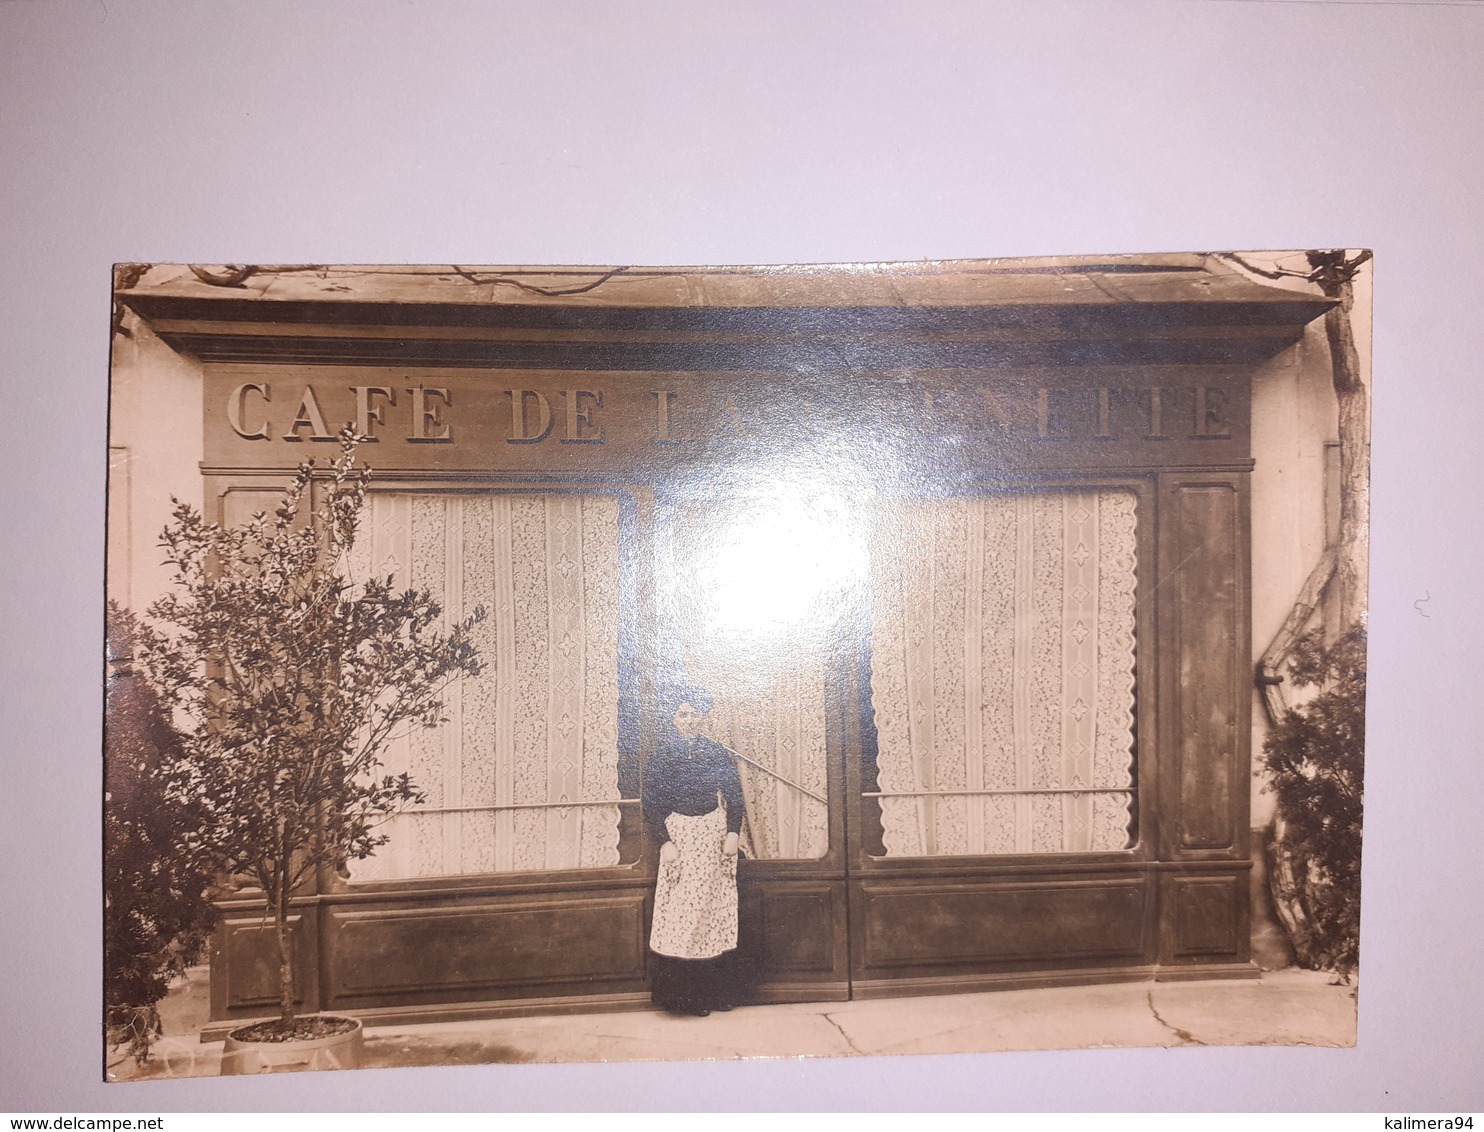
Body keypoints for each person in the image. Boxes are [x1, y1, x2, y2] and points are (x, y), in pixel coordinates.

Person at [642, 686, 746, 1016]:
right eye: (682, 714)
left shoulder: (716, 753)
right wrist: (665, 843)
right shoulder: (661, 756)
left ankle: (717, 994)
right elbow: (651, 805)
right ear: (673, 718)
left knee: (714, 913)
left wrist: (732, 833)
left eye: (694, 714)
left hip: (713, 836)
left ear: (703, 718)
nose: (689, 720)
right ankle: (685, 998)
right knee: (682, 916)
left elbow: (735, 796)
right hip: (681, 838)